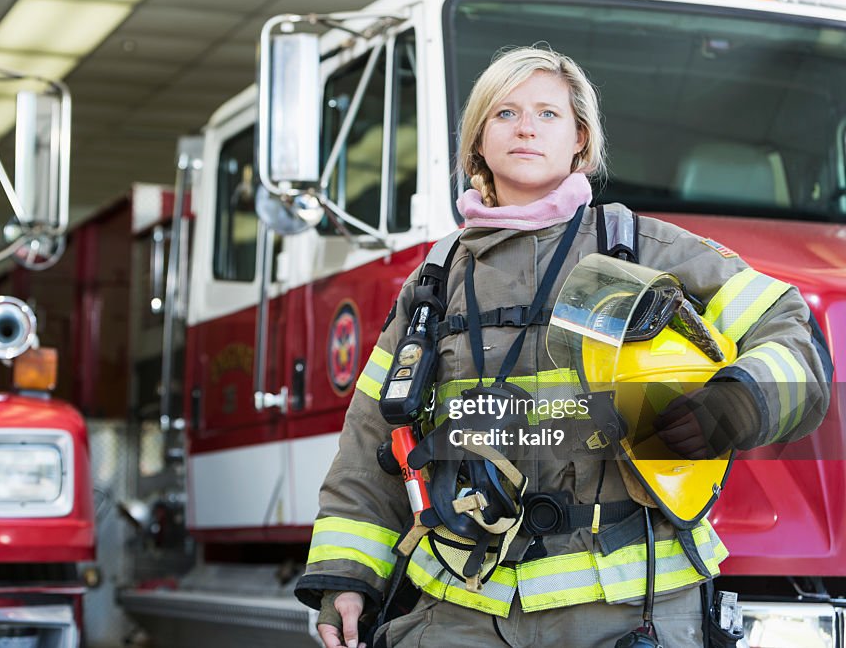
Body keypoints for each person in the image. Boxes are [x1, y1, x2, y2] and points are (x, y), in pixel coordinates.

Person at [294, 46, 832, 647]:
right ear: (477, 142)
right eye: (505, 114)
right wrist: (347, 576)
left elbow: (794, 332)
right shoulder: (435, 281)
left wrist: (736, 404)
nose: (526, 127)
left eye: (548, 114)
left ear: (580, 138)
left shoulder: (646, 249)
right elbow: (372, 441)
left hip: (628, 611)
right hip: (460, 610)